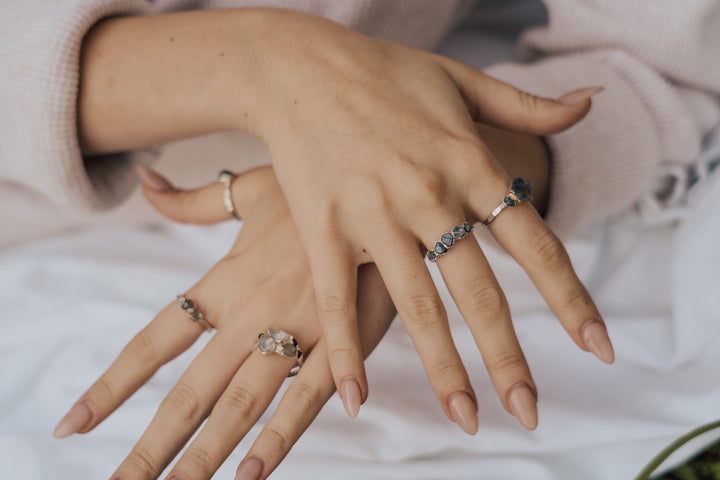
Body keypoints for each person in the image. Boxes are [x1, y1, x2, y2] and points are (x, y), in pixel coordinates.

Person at [2, 1, 718, 479]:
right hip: (40, 221)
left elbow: (662, 70)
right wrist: (269, 63)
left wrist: (408, 175)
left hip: (446, 143)